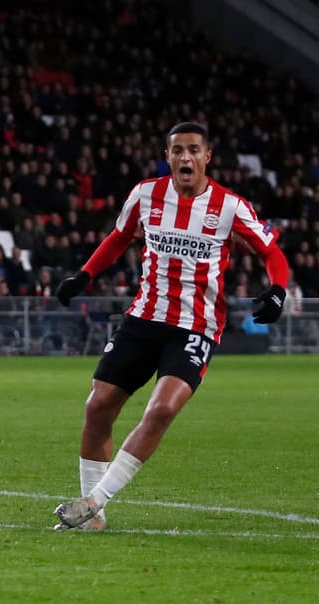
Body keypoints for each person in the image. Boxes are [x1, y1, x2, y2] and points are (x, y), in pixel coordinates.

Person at [52, 122, 290, 530]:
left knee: (162, 409)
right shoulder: (146, 195)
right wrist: (84, 275)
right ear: (168, 156)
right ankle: (94, 519)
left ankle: (93, 501)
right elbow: (119, 237)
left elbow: (272, 252)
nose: (185, 157)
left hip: (195, 326)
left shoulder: (230, 207)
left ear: (207, 156)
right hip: (144, 318)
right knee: (98, 406)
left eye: (193, 149)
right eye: (177, 150)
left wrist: (278, 290)